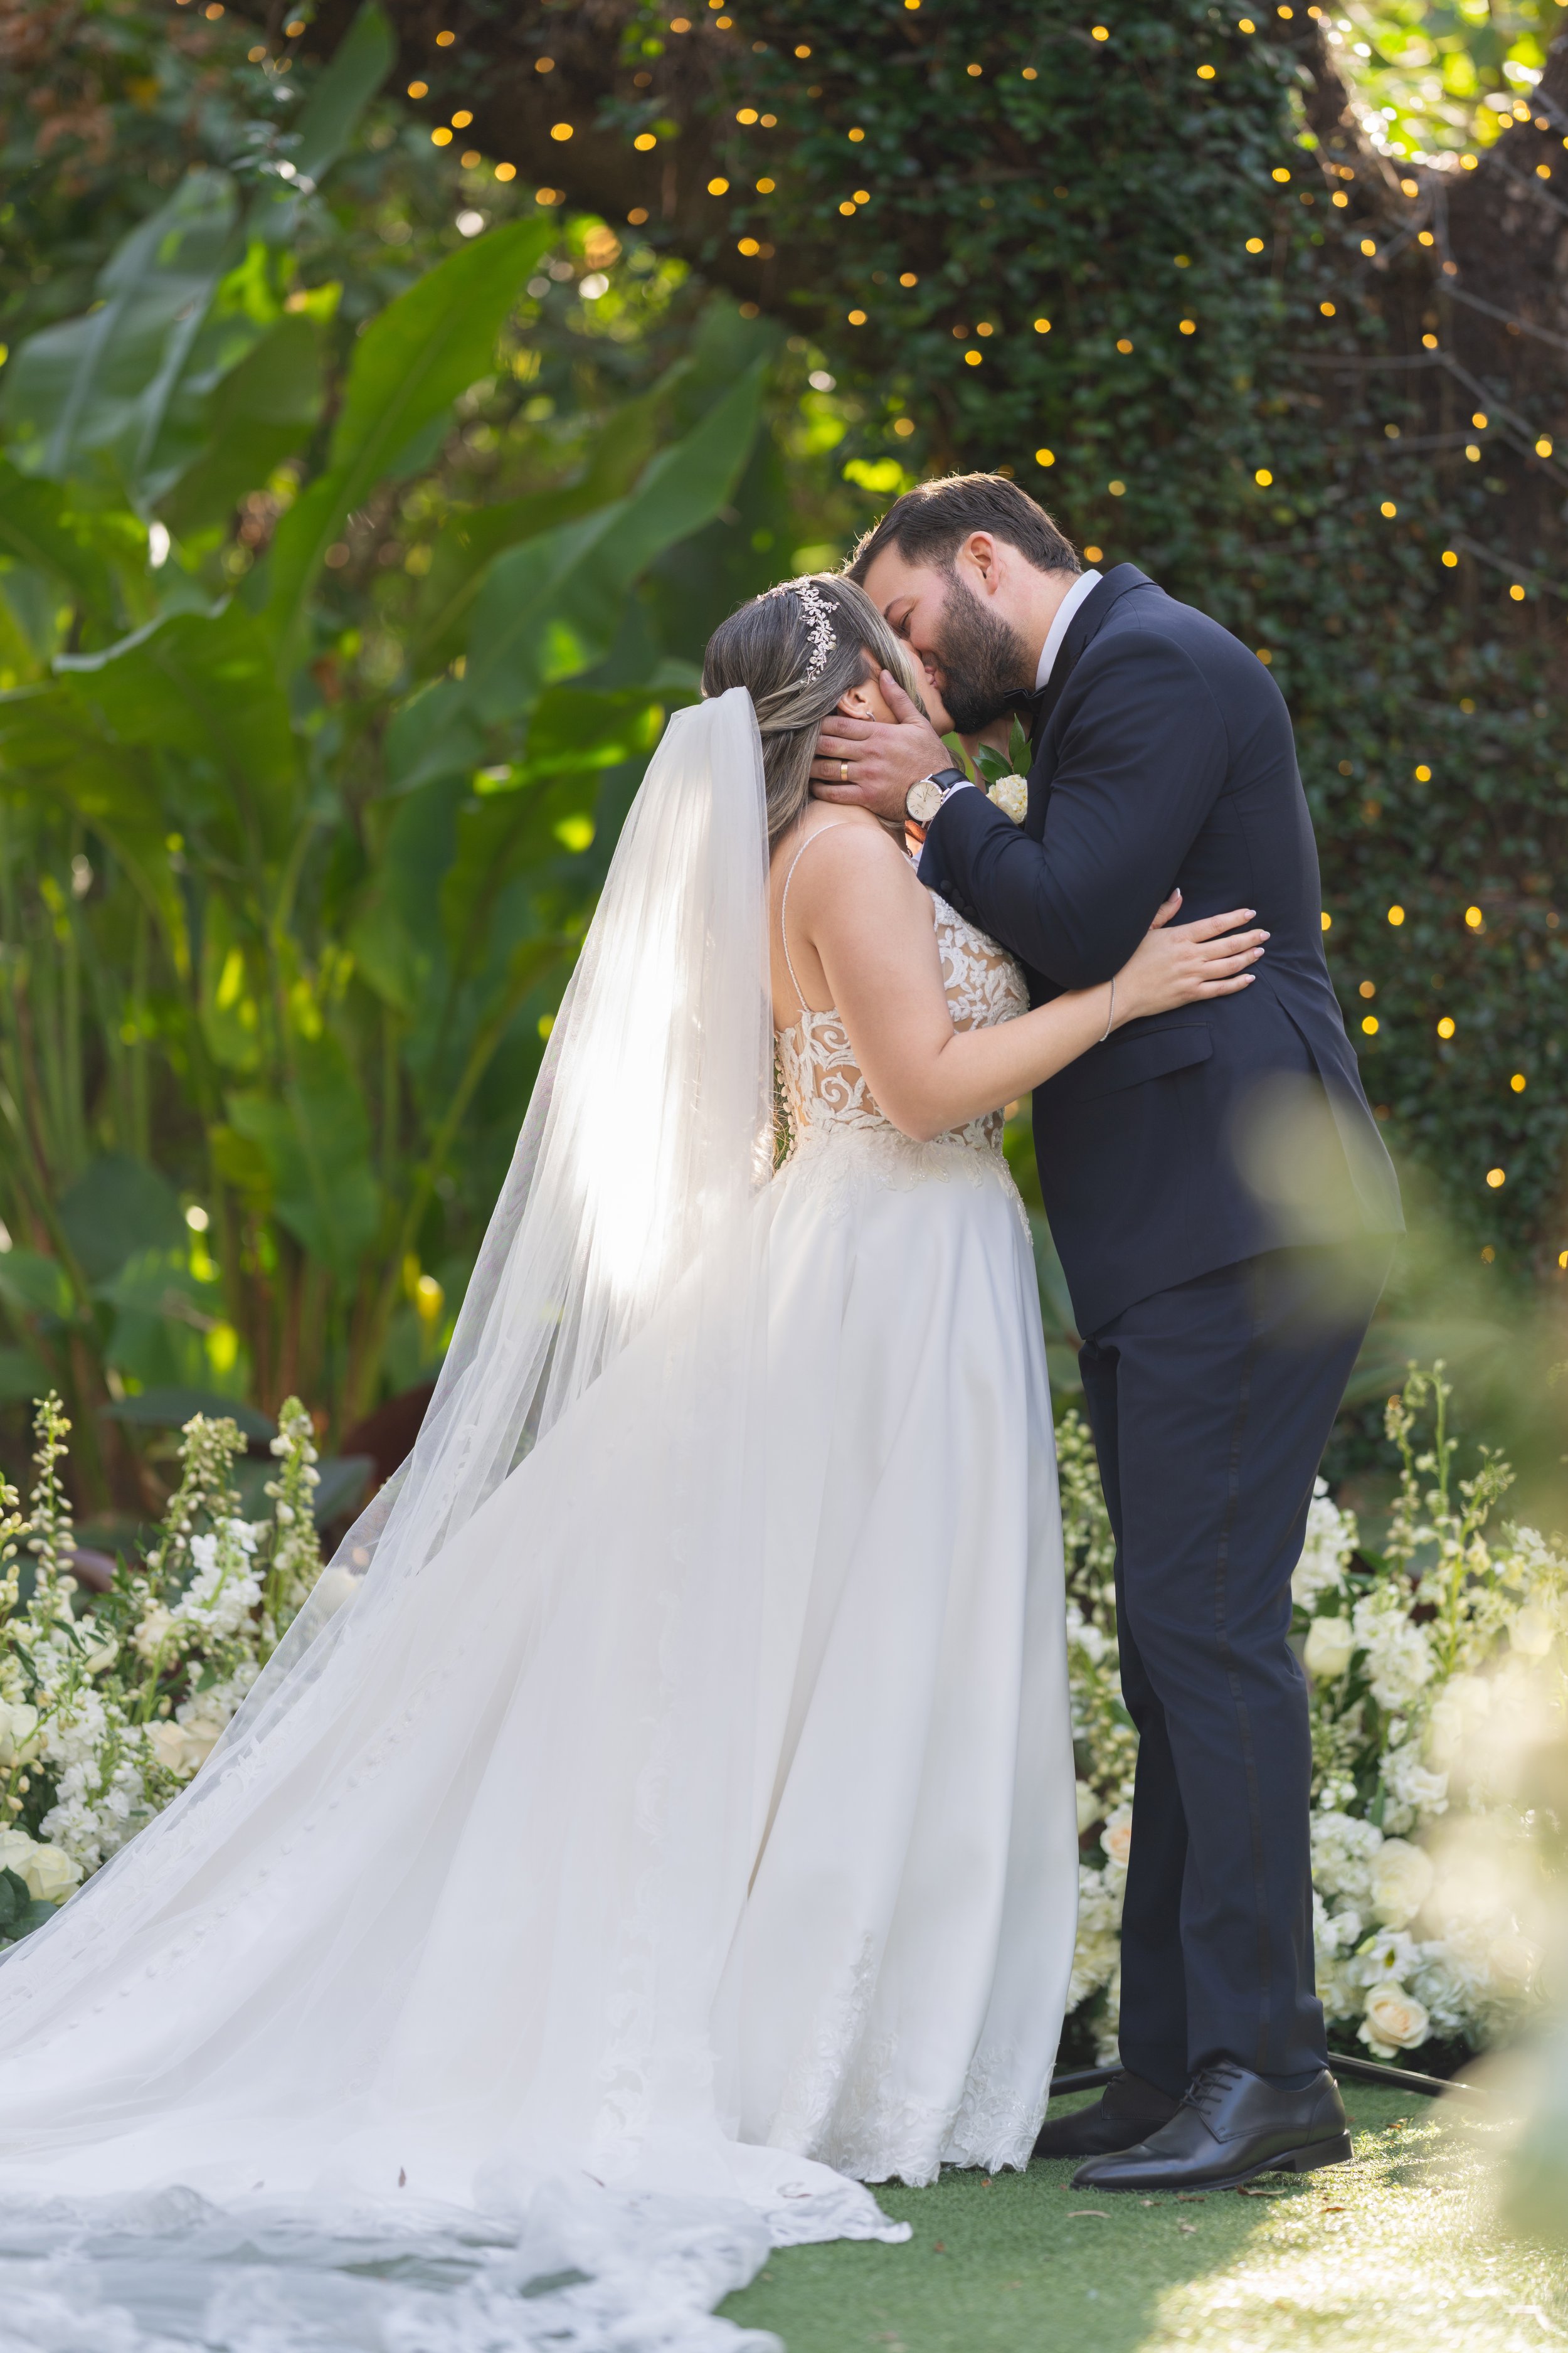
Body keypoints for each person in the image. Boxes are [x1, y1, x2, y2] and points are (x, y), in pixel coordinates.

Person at [0, 577, 1268, 2344]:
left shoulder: (855, 844)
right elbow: (920, 1088)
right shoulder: (834, 858)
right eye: (897, 665)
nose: (927, 688)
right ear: (849, 704)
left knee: (873, 1652)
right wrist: (1126, 994)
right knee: (871, 1648)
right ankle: (834, 2053)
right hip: (886, 1261)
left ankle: (880, 2034)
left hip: (904, 1265)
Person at [811, 477, 1404, 2195]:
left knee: (1204, 1638)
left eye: (911, 621)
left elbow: (1069, 922)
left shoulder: (1150, 664)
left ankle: (1268, 2071)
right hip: (1174, 1231)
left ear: (983, 558)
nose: (911, 668)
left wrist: (931, 798)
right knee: (1171, 1644)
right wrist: (966, 803)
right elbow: (1073, 920)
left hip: (1242, 1219)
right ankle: (1170, 2063)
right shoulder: (1090, 695)